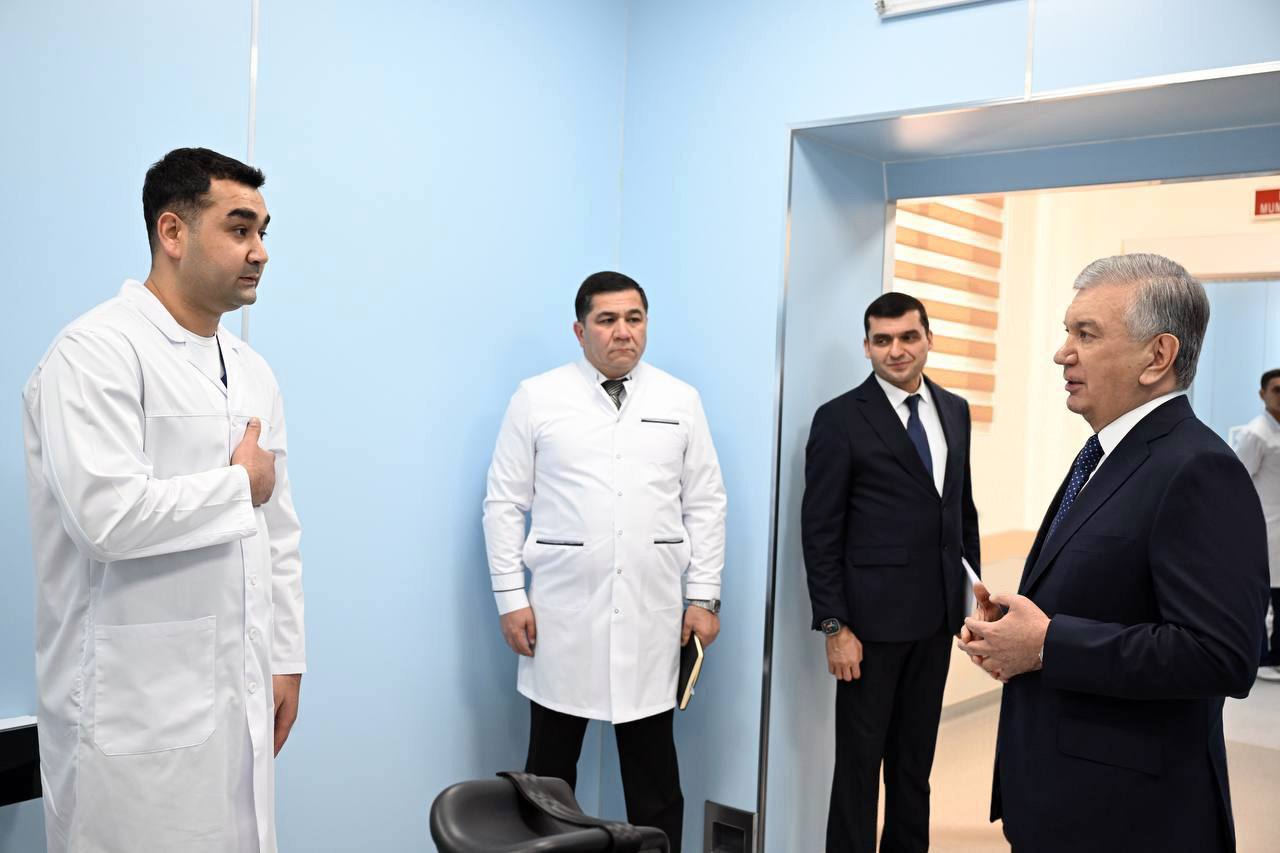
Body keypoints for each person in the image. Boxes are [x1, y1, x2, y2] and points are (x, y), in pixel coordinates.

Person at [22, 148, 306, 853]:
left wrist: (285, 657)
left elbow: (279, 533)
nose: (260, 251)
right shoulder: (94, 352)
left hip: (241, 688)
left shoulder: (253, 371)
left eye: (263, 231)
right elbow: (106, 518)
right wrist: (239, 485)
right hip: (132, 707)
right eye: (239, 229)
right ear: (172, 232)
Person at [958, 254, 1268, 852]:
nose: (1062, 353)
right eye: (1067, 331)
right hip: (1060, 799)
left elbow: (1223, 655)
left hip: (1130, 818)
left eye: (1086, 334)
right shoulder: (1107, 455)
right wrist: (1013, 637)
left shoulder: (1198, 468)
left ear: (1158, 356)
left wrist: (1048, 644)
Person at [482, 271, 726, 852]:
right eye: (607, 320)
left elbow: (706, 503)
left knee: (655, 781)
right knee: (547, 778)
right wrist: (510, 598)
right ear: (580, 330)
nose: (623, 332)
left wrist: (703, 597)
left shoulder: (679, 399)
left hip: (652, 616)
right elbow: (504, 502)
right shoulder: (537, 397)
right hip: (562, 617)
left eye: (634, 319)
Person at [801, 292, 980, 853]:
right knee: (858, 773)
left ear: (929, 339)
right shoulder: (839, 419)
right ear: (867, 347)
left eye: (908, 337)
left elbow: (960, 511)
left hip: (935, 622)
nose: (896, 350)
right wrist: (835, 626)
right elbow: (820, 532)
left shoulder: (954, 409)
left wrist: (973, 598)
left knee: (913, 767)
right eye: (882, 340)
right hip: (868, 631)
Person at [1231, 368, 1280, 681]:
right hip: (1265, 525)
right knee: (1263, 594)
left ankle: (1275, 656)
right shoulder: (1256, 434)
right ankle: (1260, 657)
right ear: (1263, 394)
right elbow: (1237, 479)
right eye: (1277, 390)